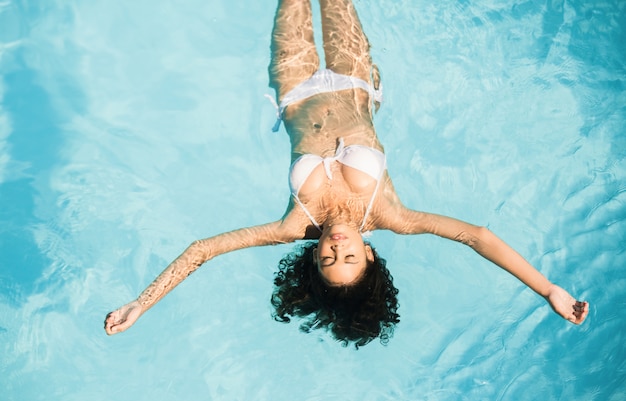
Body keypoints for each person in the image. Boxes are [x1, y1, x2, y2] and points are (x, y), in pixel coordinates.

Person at [104, 0, 589, 347]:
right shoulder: (391, 213)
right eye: (349, 258)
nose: (337, 247)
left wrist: (140, 304)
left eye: (327, 260)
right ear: (370, 254)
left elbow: (203, 250)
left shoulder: (292, 226)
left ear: (313, 260)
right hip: (356, 82)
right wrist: (547, 288)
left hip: (293, 88)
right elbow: (476, 235)